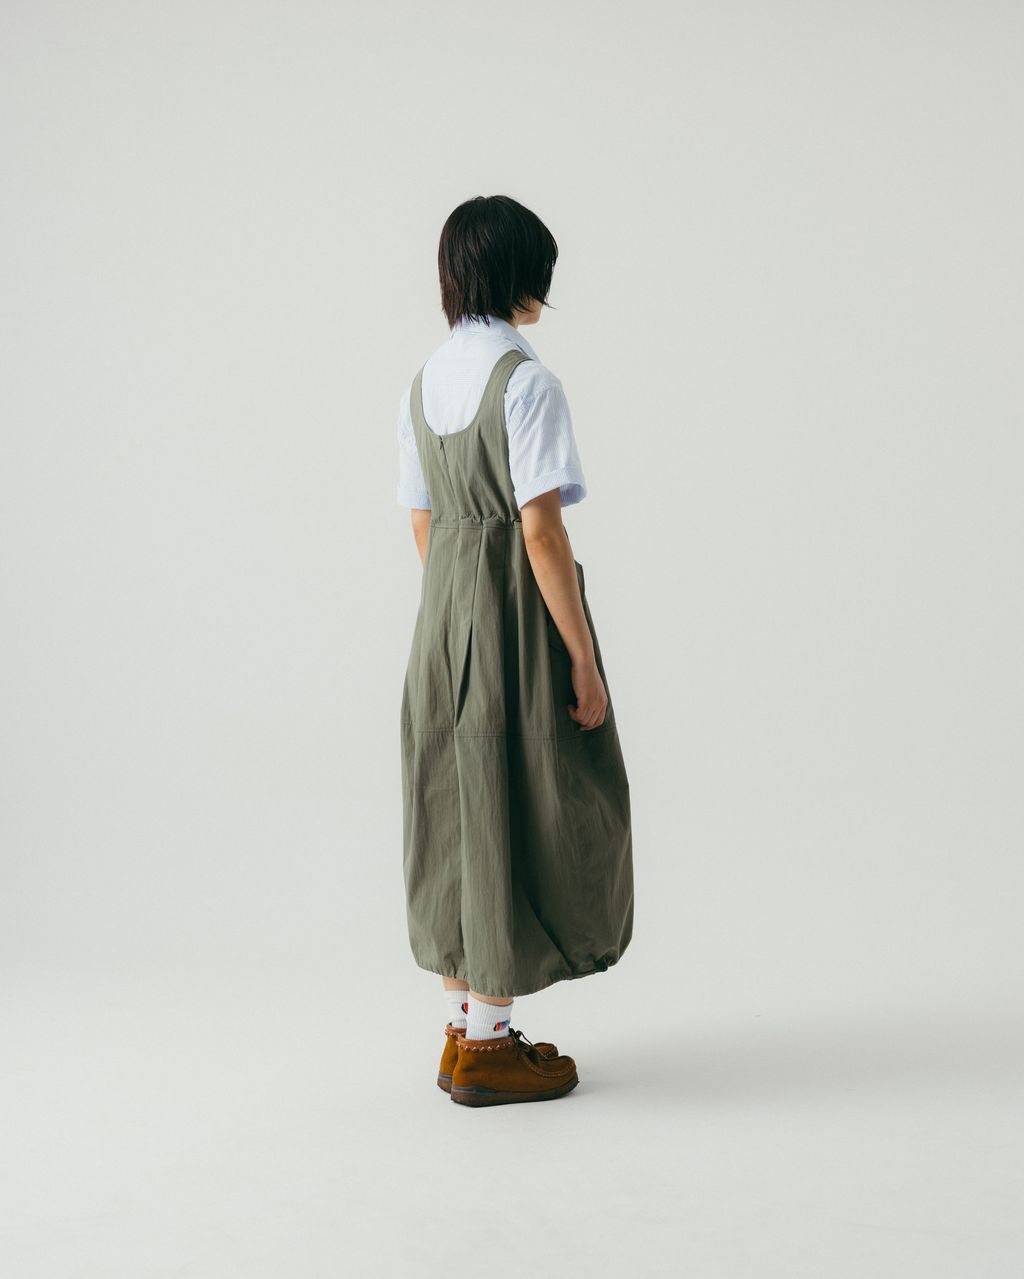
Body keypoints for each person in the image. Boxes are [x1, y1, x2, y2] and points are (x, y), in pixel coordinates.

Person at [397, 194, 634, 1107]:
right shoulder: (528, 384)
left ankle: (463, 1030)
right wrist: (581, 656)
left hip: (442, 617)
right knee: (521, 797)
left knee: (454, 803)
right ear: (519, 277)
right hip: (514, 615)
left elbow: (423, 524)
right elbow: (540, 532)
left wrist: (456, 610)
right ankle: (493, 1047)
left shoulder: (422, 384)